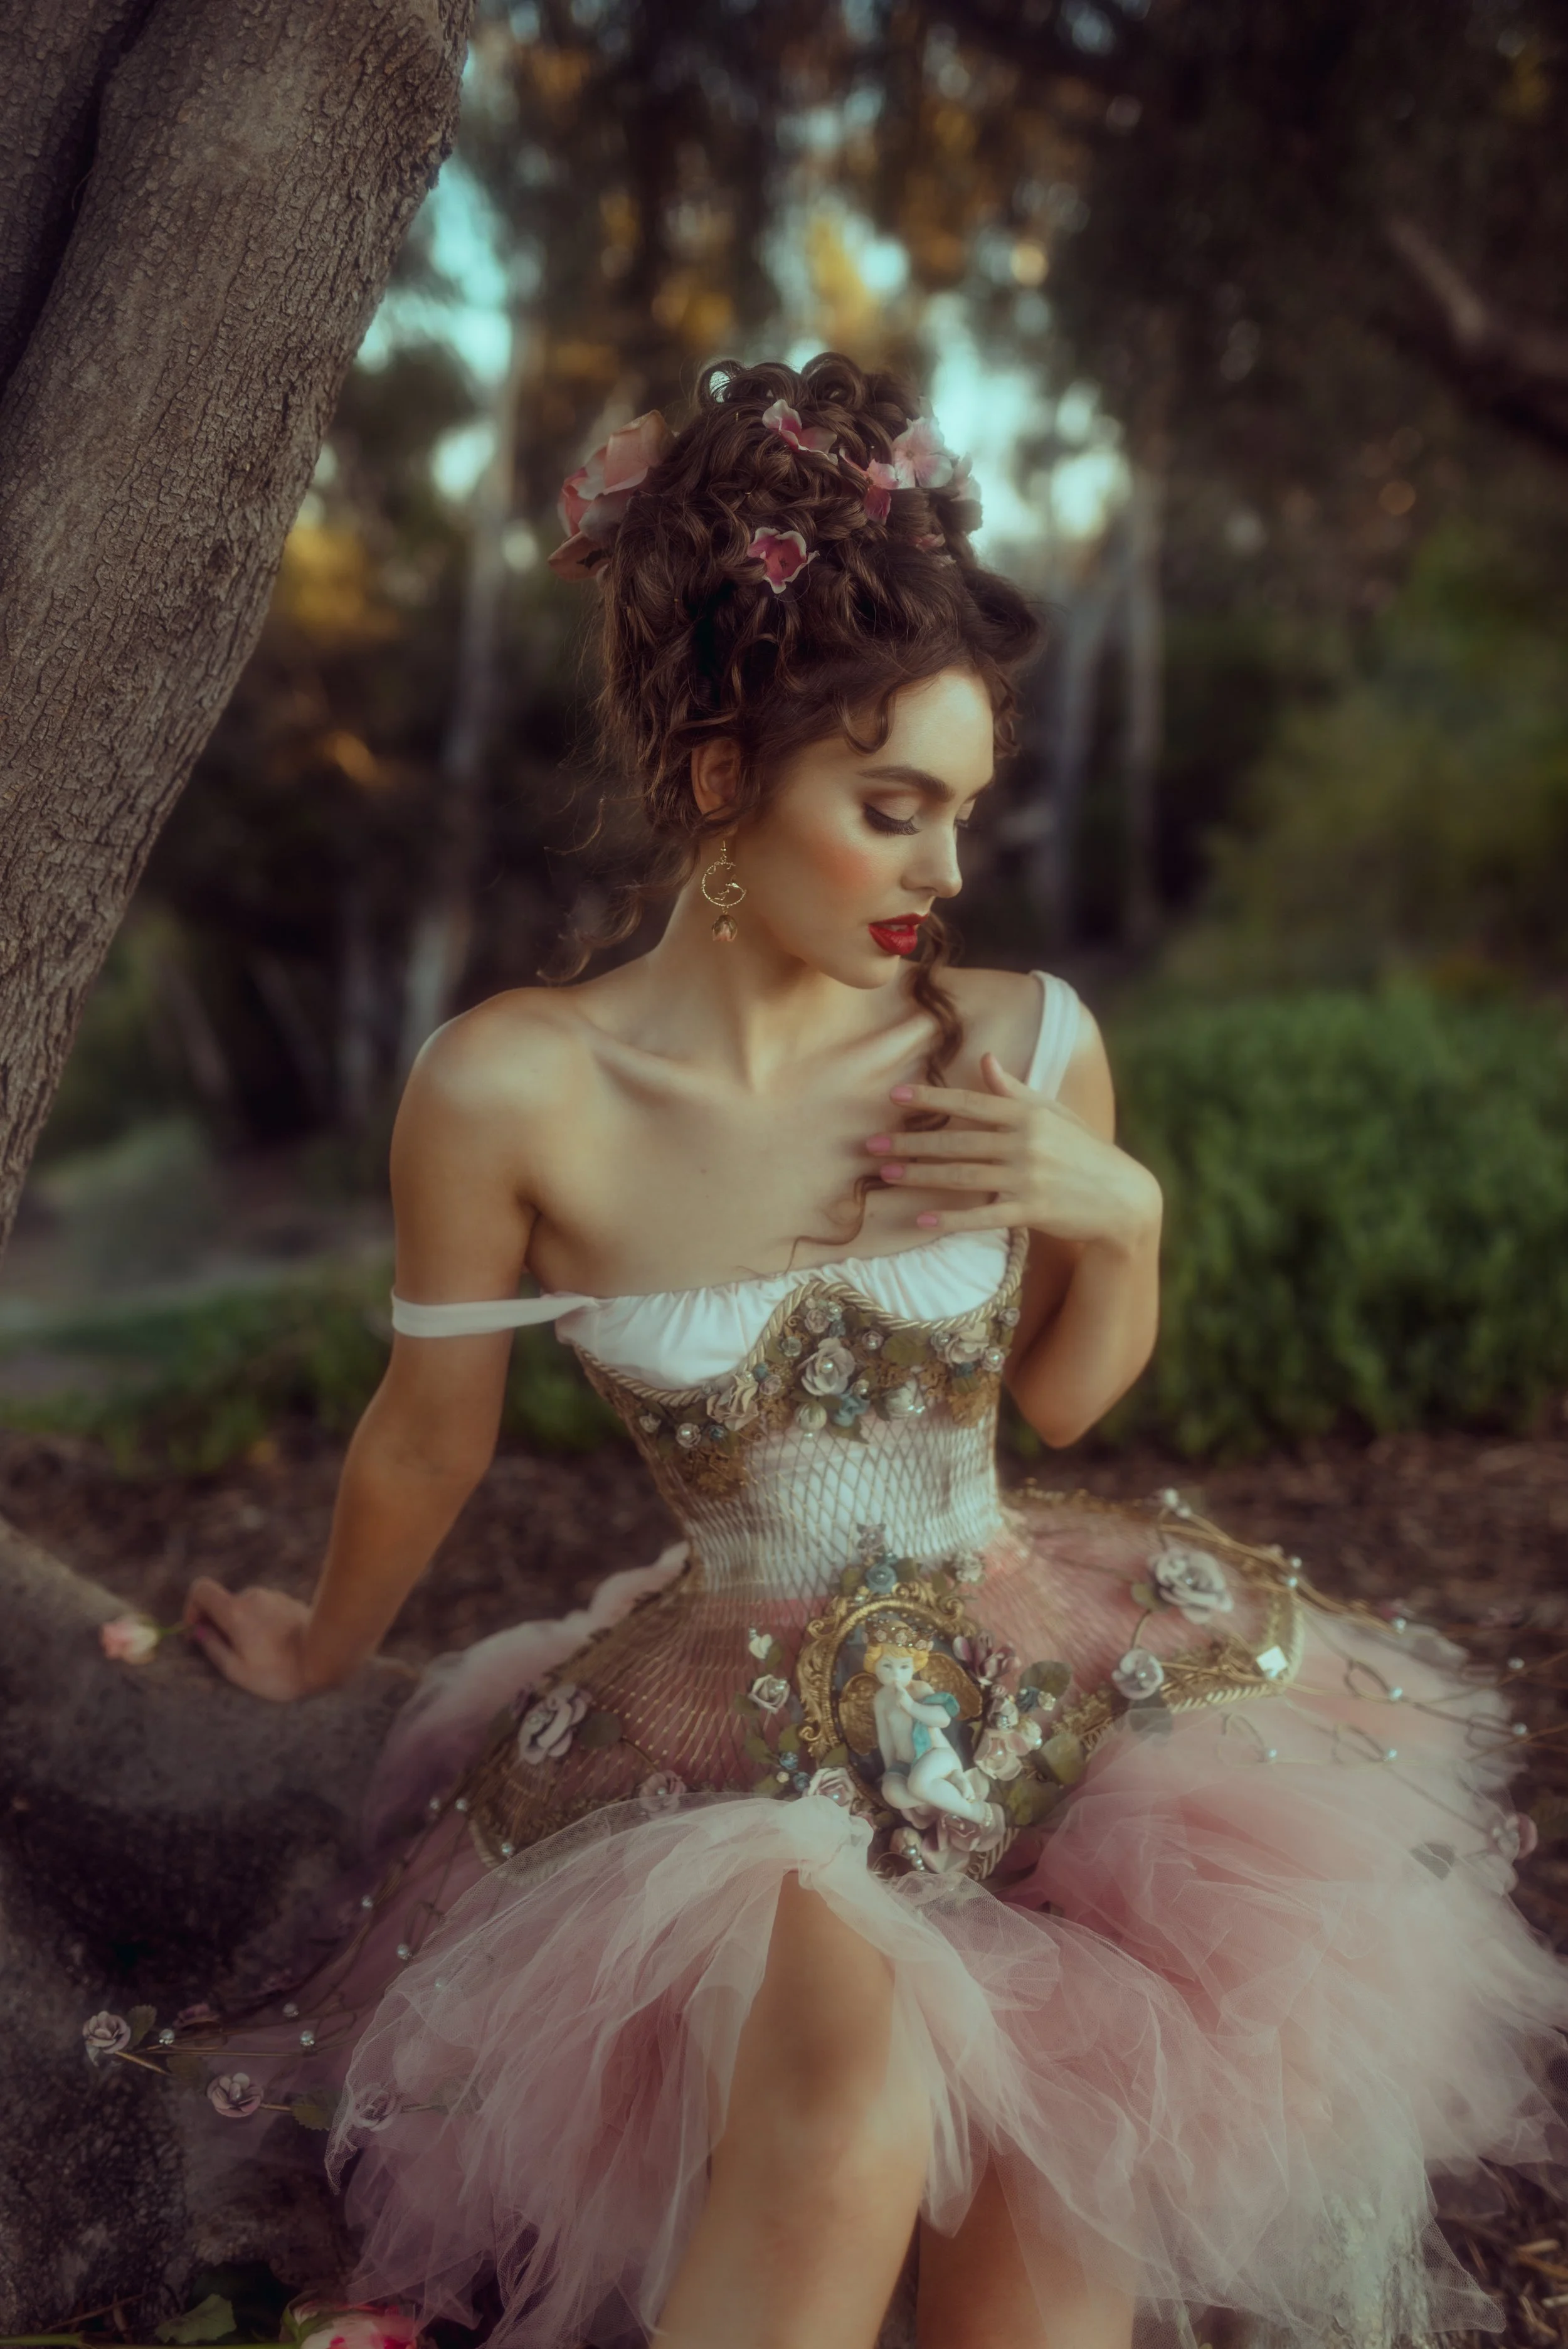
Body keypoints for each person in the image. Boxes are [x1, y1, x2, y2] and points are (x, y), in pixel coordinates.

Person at [179, 354, 1568, 2349]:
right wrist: (321, 1644)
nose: (943, 875)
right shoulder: (512, 1086)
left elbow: (1064, 1402)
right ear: (721, 773)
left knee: (1057, 2203)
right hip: (725, 1741)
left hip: (1035, 1686)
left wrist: (1122, 1215)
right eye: (890, 809)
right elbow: (426, 1436)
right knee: (843, 2109)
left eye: (963, 814)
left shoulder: (1018, 1040)